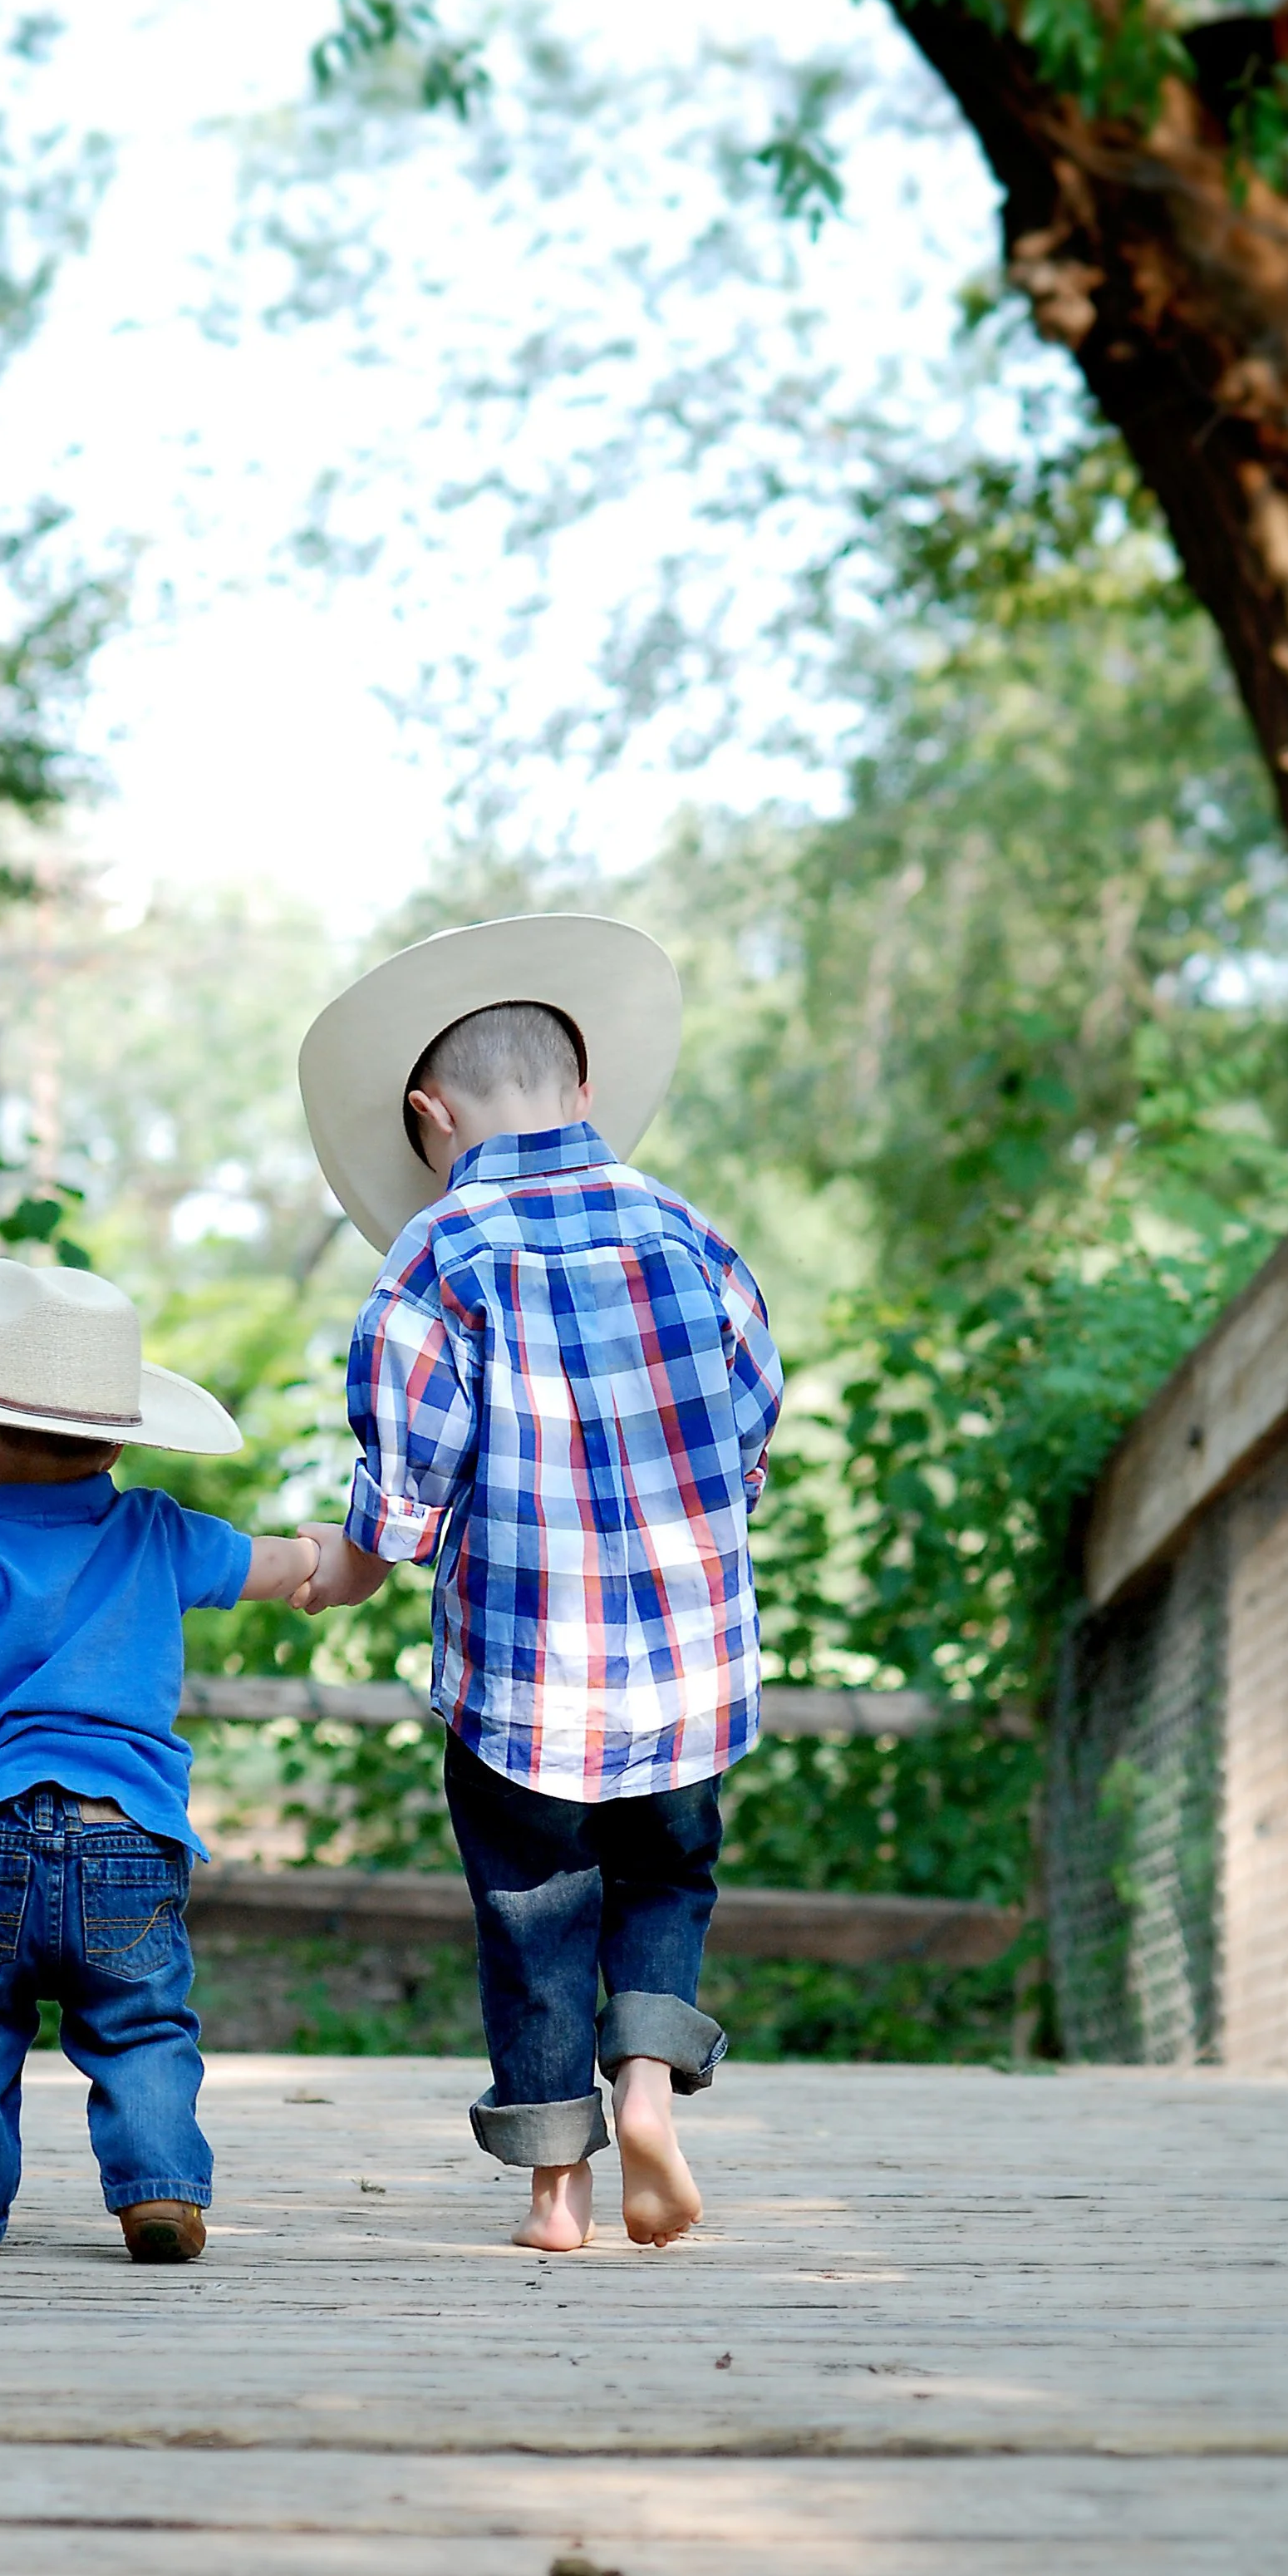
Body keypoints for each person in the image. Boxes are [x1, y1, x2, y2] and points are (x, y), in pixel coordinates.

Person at [295, 914, 782, 2252]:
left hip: (522, 1681)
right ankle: (646, 2095)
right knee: (668, 1881)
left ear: (427, 1115)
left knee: (533, 1912)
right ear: (579, 1094)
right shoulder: (685, 1231)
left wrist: (344, 1565)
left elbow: (408, 1476)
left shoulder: (434, 1262)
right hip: (686, 1670)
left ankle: (555, 2191)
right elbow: (752, 1411)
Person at [0, 1257, 318, 2262]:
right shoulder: (160, 1532)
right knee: (142, 2025)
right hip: (130, 1837)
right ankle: (160, 2193)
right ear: (119, 1437)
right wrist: (334, 1562)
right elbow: (285, 1565)